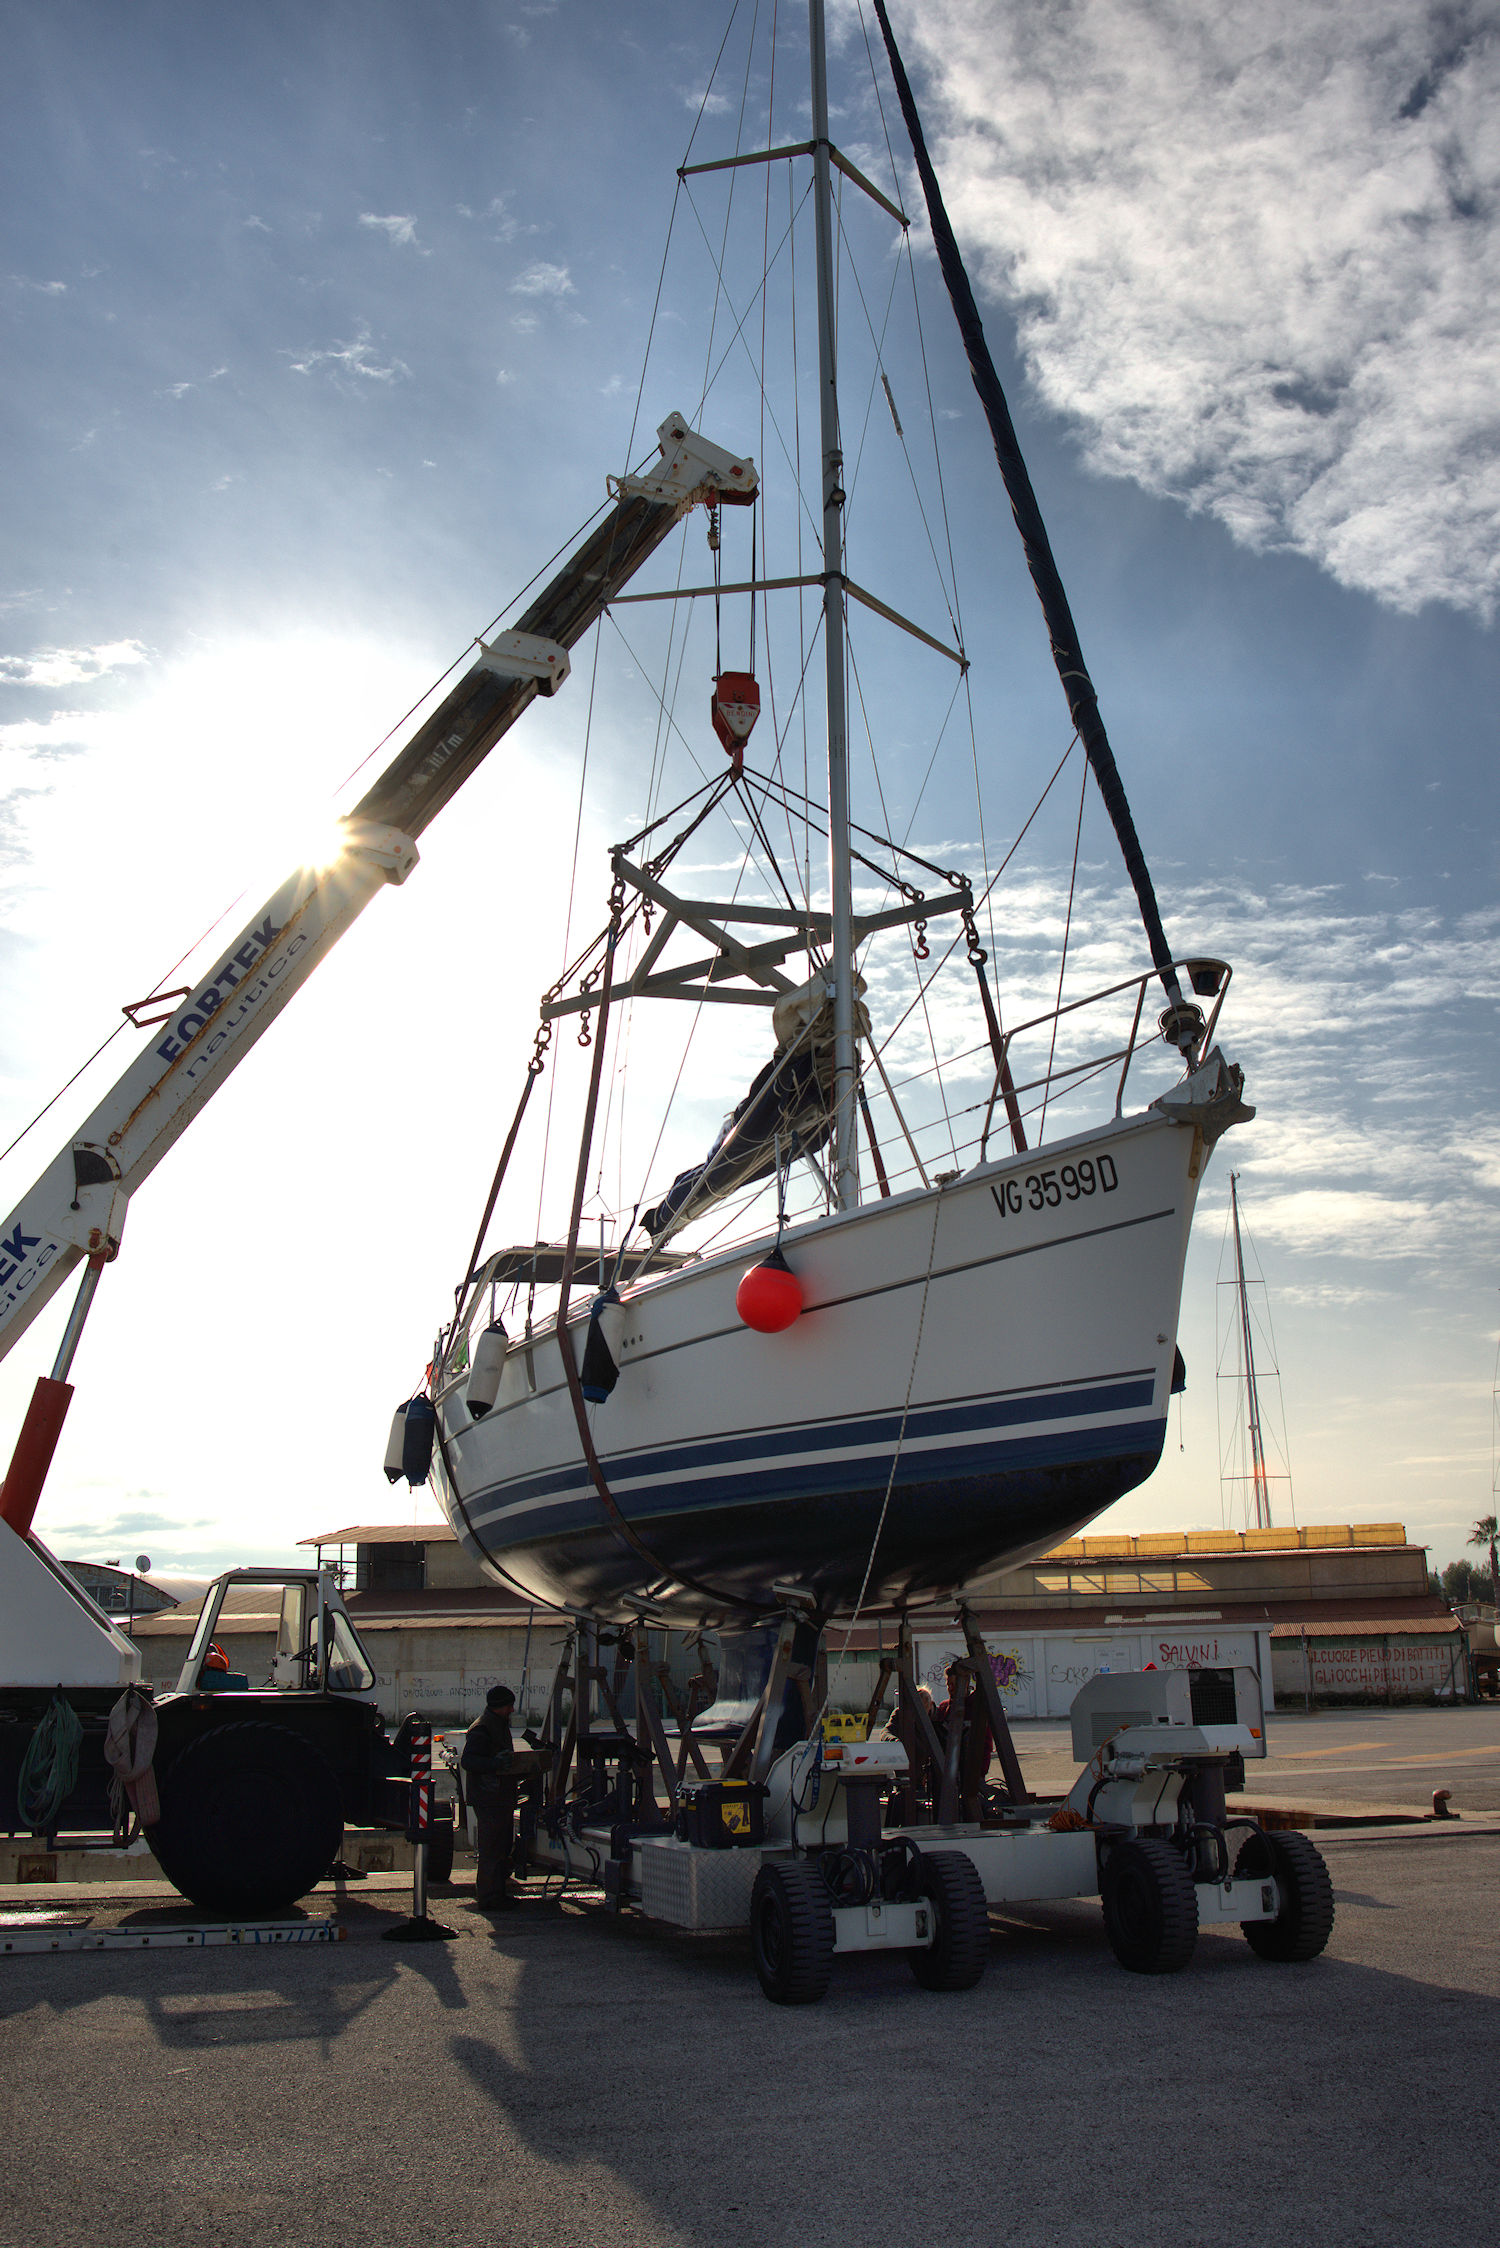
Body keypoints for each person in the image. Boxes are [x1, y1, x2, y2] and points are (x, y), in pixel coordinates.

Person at [461, 1684, 542, 1911]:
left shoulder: (496, 1724)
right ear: (500, 1706)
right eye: (509, 1705)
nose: (511, 1709)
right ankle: (489, 1898)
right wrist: (495, 1764)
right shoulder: (483, 1729)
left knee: (501, 1846)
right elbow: (469, 1761)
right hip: (489, 1798)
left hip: (499, 1796)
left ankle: (498, 1894)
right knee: (491, 1849)